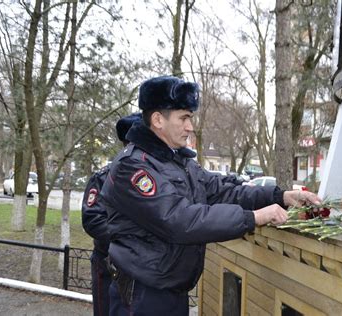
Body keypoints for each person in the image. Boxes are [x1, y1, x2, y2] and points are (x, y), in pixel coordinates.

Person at [100, 75, 322, 315]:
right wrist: (252, 217)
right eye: (183, 118)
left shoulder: (176, 161)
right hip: (143, 295)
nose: (190, 127)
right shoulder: (133, 167)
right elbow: (178, 219)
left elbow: (221, 191)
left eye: (190, 118)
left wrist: (280, 196)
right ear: (157, 120)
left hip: (168, 289)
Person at [82, 113, 143, 316]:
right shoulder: (104, 177)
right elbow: (93, 219)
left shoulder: (149, 176)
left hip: (142, 266)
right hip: (109, 263)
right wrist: (128, 238)